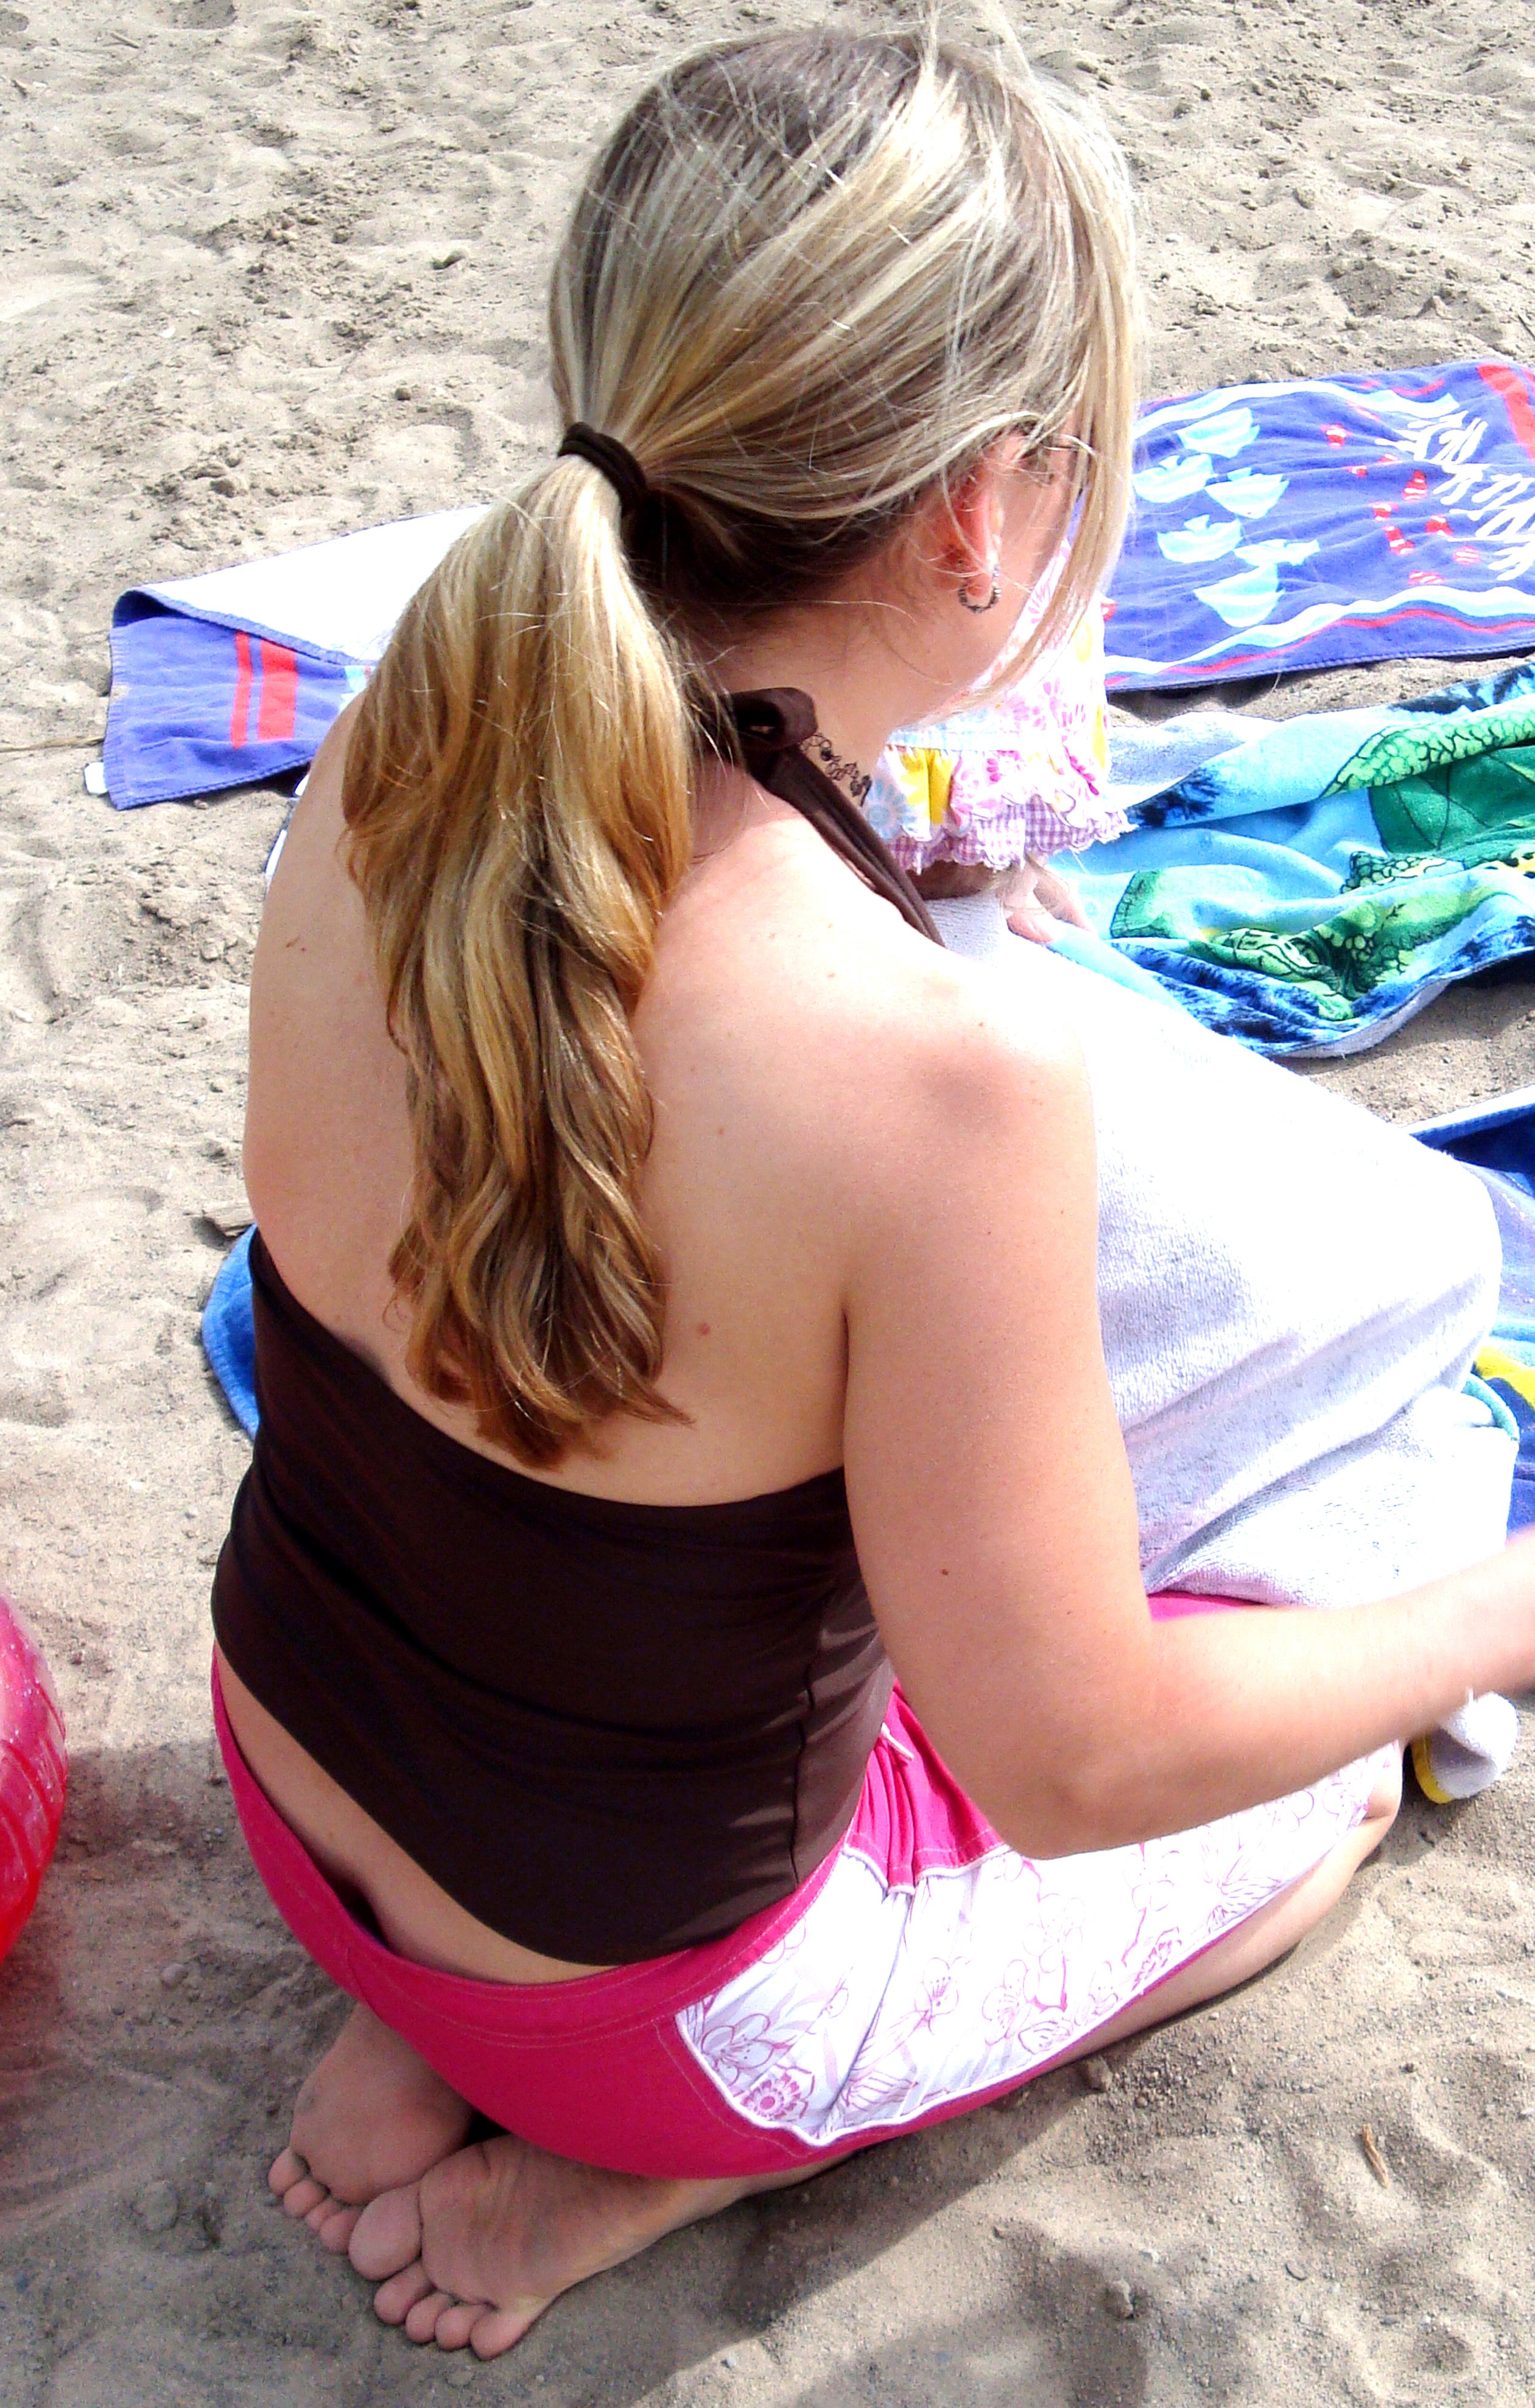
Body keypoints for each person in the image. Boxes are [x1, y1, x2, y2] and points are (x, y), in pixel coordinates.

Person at [211, 30, 1535, 2363]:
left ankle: (440, 2022)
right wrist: (1503, 1612)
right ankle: (647, 2167)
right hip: (645, 2003)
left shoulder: (414, 727)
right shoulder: (936, 1080)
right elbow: (1078, 1761)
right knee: (1326, 1787)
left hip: (292, 1788)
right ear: (976, 516)